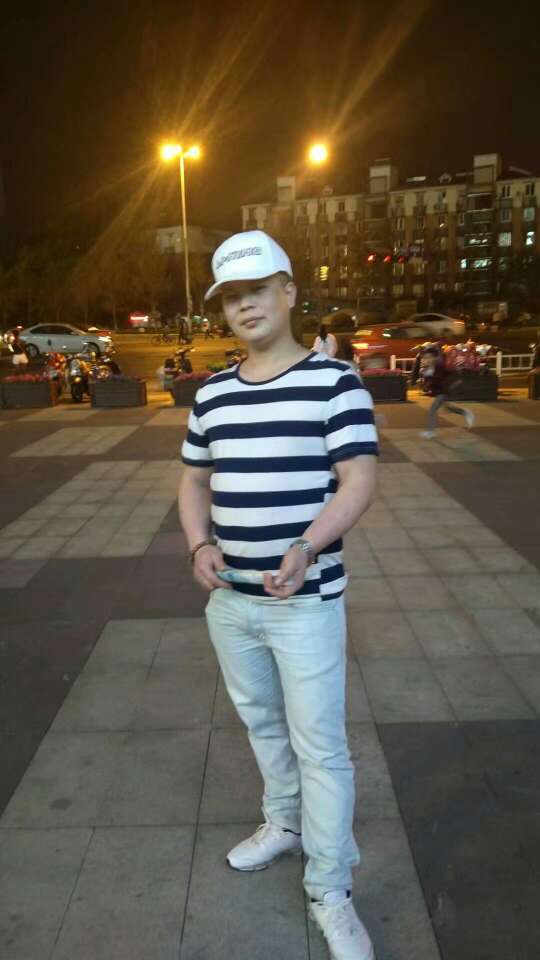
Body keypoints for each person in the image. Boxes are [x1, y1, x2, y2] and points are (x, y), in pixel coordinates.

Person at [179, 230, 378, 960]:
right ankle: (285, 823)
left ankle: (331, 888)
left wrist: (306, 546)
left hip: (305, 600)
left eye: (257, 289)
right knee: (263, 725)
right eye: (232, 296)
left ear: (289, 292)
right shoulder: (213, 393)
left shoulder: (335, 383)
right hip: (231, 602)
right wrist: (198, 543)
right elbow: (193, 479)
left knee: (321, 746)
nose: (245, 305)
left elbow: (358, 480)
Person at [411, 341, 475, 438]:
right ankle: (466, 413)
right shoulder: (428, 368)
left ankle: (430, 431)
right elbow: (429, 382)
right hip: (439, 391)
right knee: (448, 408)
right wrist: (424, 379)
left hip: (443, 391)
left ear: (434, 358)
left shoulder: (439, 366)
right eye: (424, 358)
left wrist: (458, 381)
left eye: (428, 357)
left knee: (432, 410)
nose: (426, 360)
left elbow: (449, 373)